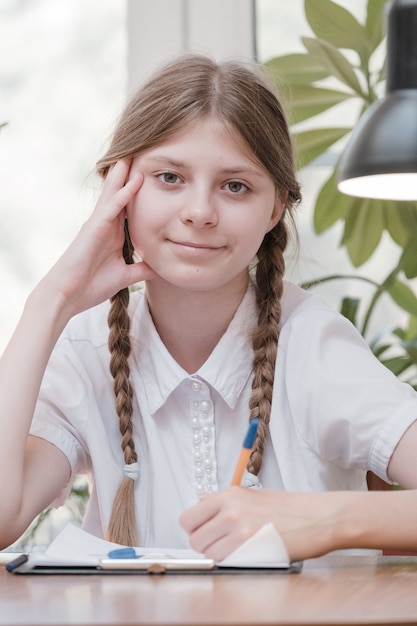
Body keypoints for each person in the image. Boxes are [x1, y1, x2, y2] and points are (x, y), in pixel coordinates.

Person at [1, 54, 417, 562]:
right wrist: (50, 302)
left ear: (276, 207)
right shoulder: (87, 352)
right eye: (170, 177)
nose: (199, 212)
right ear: (119, 186)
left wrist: (322, 519)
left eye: (235, 185)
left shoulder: (311, 345)